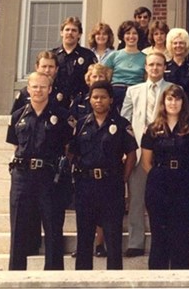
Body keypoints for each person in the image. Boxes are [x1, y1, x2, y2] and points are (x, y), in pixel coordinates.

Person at [6, 72, 75, 270]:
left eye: (43, 87)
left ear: (50, 89)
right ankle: (15, 277)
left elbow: (69, 147)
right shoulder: (18, 116)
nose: (38, 90)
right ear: (28, 89)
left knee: (53, 229)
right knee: (18, 230)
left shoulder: (61, 117)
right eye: (34, 86)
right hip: (22, 177)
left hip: (49, 178)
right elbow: (15, 146)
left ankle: (53, 278)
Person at [69, 81, 137, 270]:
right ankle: (82, 280)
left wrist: (123, 178)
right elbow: (71, 152)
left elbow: (132, 154)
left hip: (111, 185)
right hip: (85, 185)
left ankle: (114, 280)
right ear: (90, 100)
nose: (99, 101)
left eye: (103, 97)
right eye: (95, 97)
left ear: (111, 100)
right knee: (84, 238)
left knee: (113, 238)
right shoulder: (81, 124)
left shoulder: (122, 124)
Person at [141, 84, 189, 269]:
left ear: (183, 102)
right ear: (163, 102)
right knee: (159, 235)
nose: (173, 103)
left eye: (177, 99)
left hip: (184, 183)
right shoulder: (153, 128)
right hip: (158, 183)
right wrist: (162, 175)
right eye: (169, 99)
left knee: (181, 235)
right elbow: (146, 162)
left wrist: (180, 174)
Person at [121, 51, 174, 258]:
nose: (154, 68)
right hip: (139, 153)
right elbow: (125, 122)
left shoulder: (172, 90)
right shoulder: (133, 91)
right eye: (151, 65)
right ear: (145, 67)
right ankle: (136, 242)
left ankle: (163, 241)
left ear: (164, 67)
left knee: (163, 201)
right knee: (136, 200)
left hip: (164, 154)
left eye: (159, 65)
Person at [69, 62, 114, 258]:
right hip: (85, 165)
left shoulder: (111, 104)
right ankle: (83, 246)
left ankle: (99, 244)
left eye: (101, 77)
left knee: (104, 214)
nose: (97, 80)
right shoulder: (79, 100)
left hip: (105, 164)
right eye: (94, 77)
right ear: (88, 79)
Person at [52, 16, 98, 107]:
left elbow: (94, 81)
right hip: (57, 103)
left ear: (79, 34)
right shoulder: (53, 56)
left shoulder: (88, 56)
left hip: (81, 105)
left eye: (74, 30)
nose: (70, 33)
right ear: (61, 32)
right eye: (67, 30)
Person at [103, 20, 147, 111]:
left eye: (134, 33)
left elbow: (146, 80)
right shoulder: (114, 55)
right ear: (123, 36)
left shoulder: (145, 58)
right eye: (127, 33)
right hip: (116, 93)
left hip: (137, 93)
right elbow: (107, 79)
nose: (131, 36)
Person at [164, 28, 189, 103]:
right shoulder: (165, 67)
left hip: (188, 106)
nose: (178, 45)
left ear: (186, 45)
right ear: (170, 45)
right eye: (175, 43)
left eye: (181, 43)